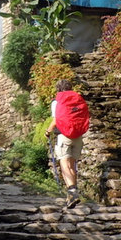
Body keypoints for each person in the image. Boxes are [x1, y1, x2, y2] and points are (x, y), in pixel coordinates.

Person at [45, 79, 85, 209]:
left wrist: (48, 131)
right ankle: (72, 194)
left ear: (58, 89)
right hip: (78, 136)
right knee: (72, 166)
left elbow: (56, 120)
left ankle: (72, 192)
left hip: (64, 135)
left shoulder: (57, 102)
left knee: (64, 164)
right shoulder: (78, 99)